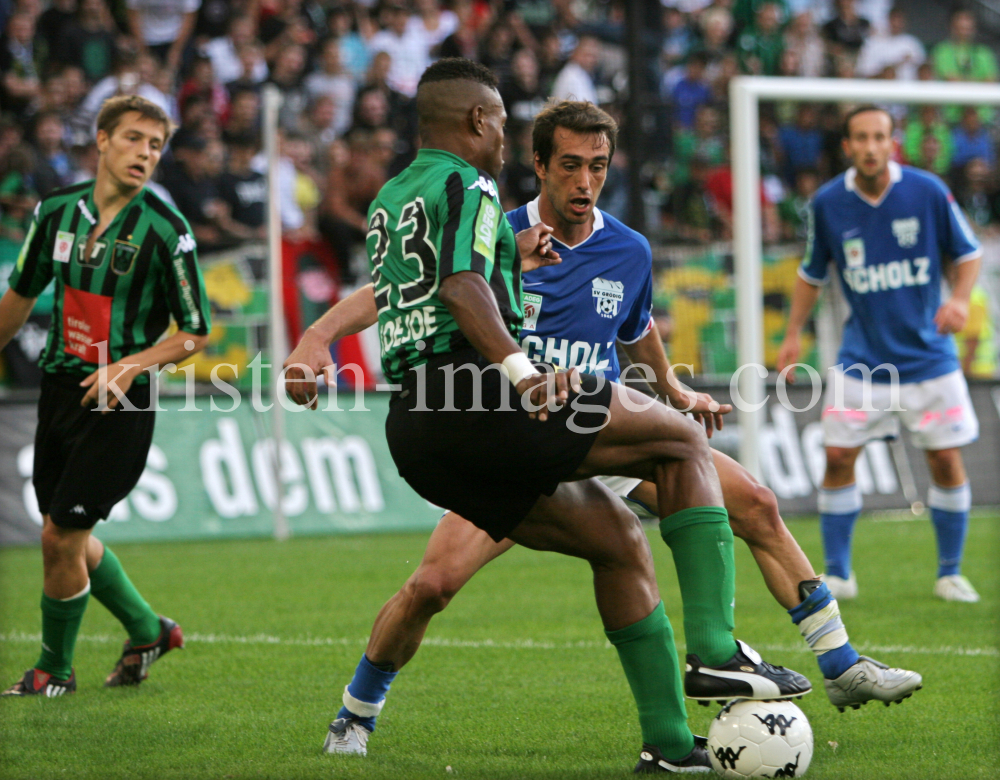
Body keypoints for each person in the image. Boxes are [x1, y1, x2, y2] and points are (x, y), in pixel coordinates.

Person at [289, 96, 922, 743]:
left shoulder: (629, 251)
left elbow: (636, 331)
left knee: (754, 501)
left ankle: (840, 663)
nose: (585, 182)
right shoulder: (494, 231)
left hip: (603, 436)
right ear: (537, 164)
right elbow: (404, 287)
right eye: (569, 166)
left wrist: (677, 393)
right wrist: (319, 335)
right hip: (521, 432)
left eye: (597, 166)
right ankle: (356, 712)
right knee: (433, 585)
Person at [0, 95, 211, 697]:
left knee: (59, 537)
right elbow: (20, 295)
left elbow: (194, 332)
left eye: (155, 145)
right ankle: (149, 631)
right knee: (68, 535)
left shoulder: (167, 232)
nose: (145, 153)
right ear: (100, 140)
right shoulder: (56, 212)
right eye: (134, 139)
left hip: (123, 402)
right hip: (60, 389)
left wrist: (129, 366)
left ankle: (52, 672)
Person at [778, 105, 984, 604]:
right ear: (847, 146)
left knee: (945, 462)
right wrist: (791, 335)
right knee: (838, 456)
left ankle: (951, 572)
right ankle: (840, 573)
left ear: (893, 143)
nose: (871, 146)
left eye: (879, 137)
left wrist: (958, 299)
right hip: (862, 362)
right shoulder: (828, 203)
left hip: (929, 360)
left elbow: (969, 253)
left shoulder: (927, 191)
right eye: (861, 138)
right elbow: (812, 274)